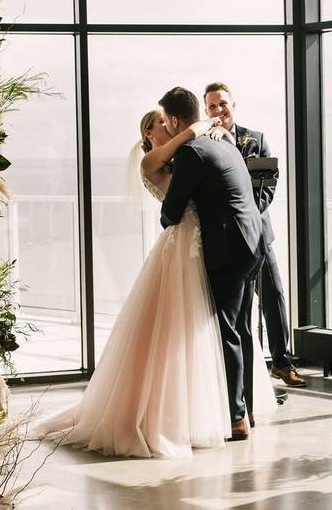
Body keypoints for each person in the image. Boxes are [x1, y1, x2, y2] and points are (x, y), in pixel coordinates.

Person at [36, 109, 275, 457]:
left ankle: (225, 406)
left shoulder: (185, 152)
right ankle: (201, 411)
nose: (169, 125)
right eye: (162, 122)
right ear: (150, 131)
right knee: (189, 324)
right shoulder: (153, 159)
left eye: (169, 120)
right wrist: (196, 130)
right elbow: (174, 205)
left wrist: (198, 133)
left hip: (207, 242)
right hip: (184, 241)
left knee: (214, 328)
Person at [160, 86, 267, 440]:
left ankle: (236, 418)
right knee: (243, 331)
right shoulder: (223, 141)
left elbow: (171, 211)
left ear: (175, 120)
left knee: (228, 332)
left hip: (229, 248)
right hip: (253, 242)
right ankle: (246, 407)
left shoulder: (192, 151)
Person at [203, 82, 306, 388]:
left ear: (233, 105)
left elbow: (268, 185)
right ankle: (246, 372)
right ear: (205, 111)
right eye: (211, 106)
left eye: (222, 104)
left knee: (273, 295)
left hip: (259, 234)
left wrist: (246, 215)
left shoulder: (256, 139)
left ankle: (282, 363)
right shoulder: (205, 143)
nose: (218, 110)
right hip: (226, 240)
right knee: (237, 308)